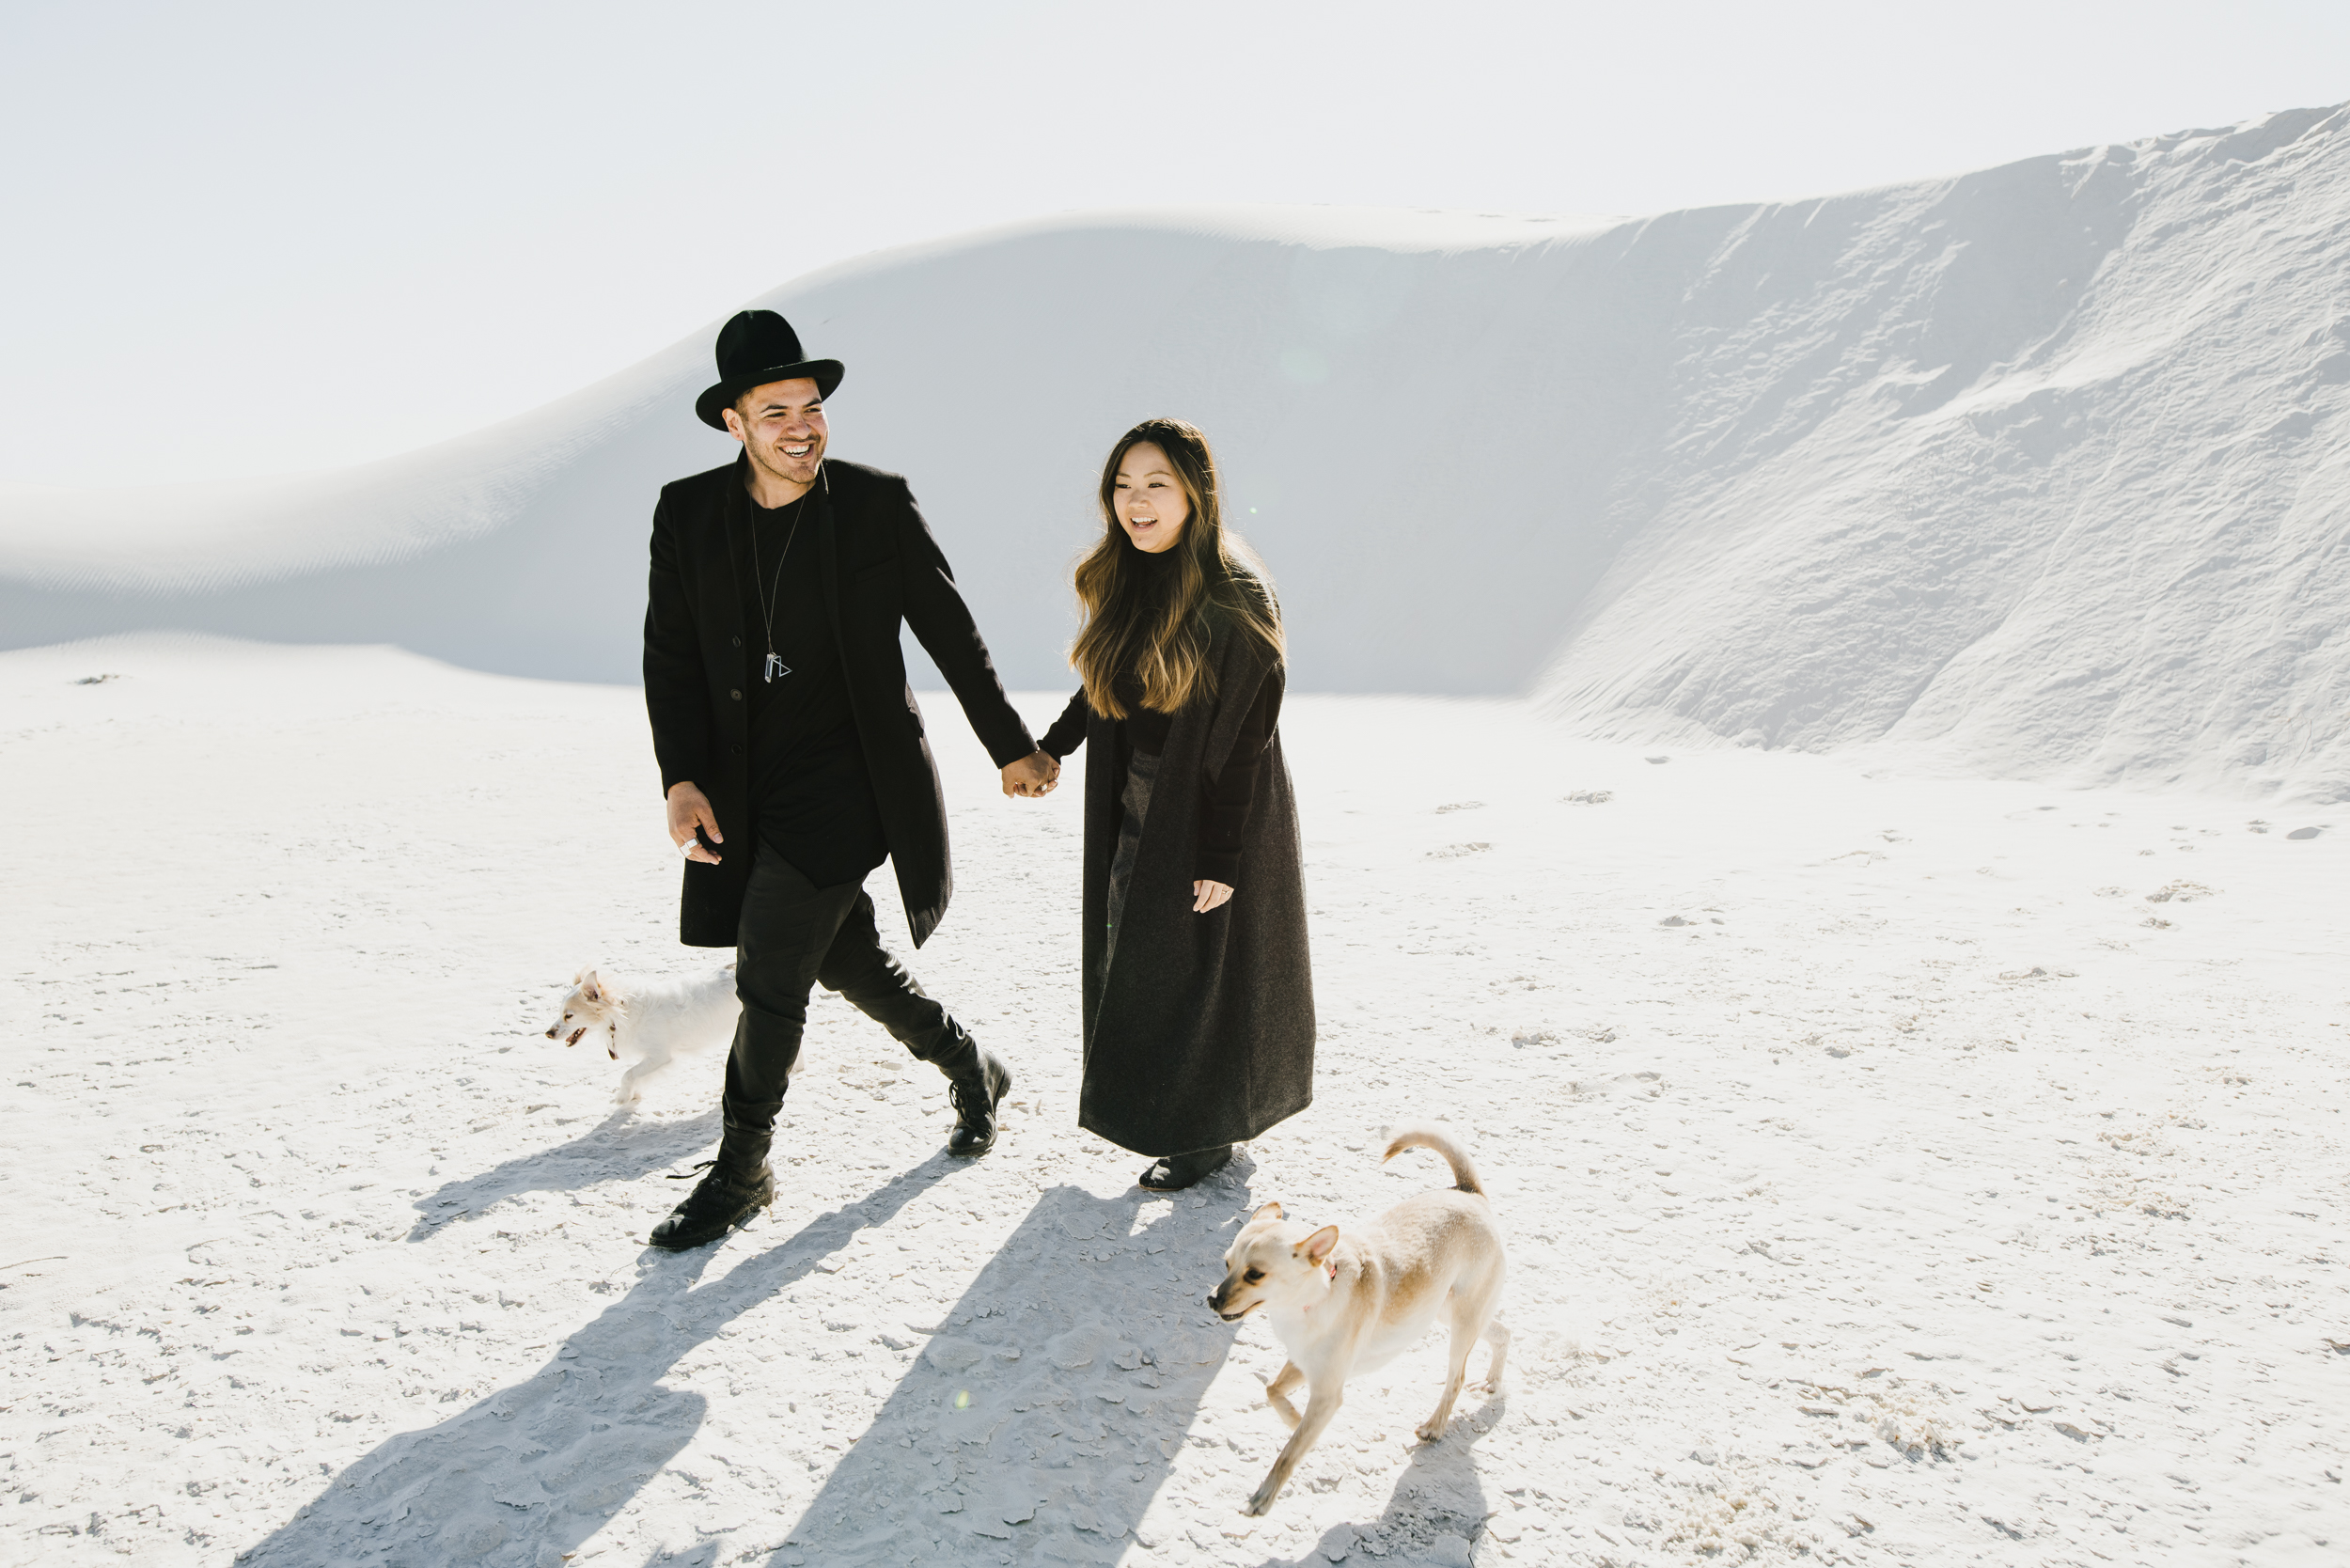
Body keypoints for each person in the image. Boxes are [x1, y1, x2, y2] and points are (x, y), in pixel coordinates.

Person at [640, 309, 1061, 1250]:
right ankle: (971, 1066)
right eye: (777, 410)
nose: (802, 427)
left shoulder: (875, 505)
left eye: (813, 406)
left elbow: (949, 631)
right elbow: (669, 656)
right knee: (842, 959)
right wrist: (681, 779)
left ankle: (742, 1169)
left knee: (769, 968)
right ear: (733, 423)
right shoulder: (689, 514)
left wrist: (1010, 746)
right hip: (750, 788)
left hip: (853, 783)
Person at [1028, 417, 1315, 1191]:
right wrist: (1054, 745)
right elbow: (1102, 683)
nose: (1136, 502)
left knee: (1199, 970)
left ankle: (1203, 1133)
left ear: (1196, 494)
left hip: (1214, 805)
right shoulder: (1125, 577)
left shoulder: (1236, 595)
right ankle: (1177, 1112)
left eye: (1156, 484)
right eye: (1123, 485)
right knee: (1136, 959)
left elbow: (1248, 737)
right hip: (1136, 798)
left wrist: (1220, 853)